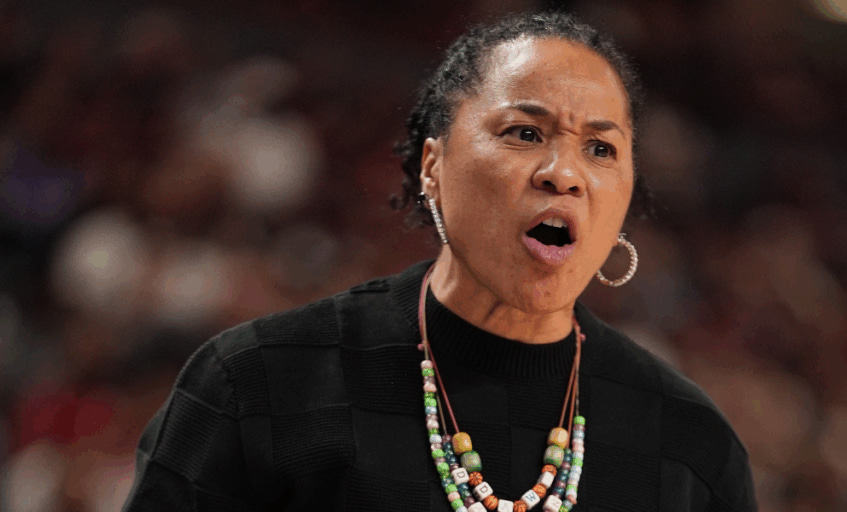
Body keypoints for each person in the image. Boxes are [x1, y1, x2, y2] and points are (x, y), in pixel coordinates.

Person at [122, 12, 757, 512]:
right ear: (433, 165)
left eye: (600, 149)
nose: (563, 174)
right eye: (525, 133)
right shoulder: (259, 383)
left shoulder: (689, 443)